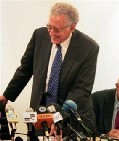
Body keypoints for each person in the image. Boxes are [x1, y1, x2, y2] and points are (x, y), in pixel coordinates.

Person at [0, 2, 99, 136]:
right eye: (49, 27)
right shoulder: (39, 35)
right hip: (40, 112)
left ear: (72, 27)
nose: (51, 33)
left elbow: (80, 90)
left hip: (70, 120)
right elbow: (25, 70)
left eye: (56, 29)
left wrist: (60, 119)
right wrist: (6, 96)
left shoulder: (88, 48)